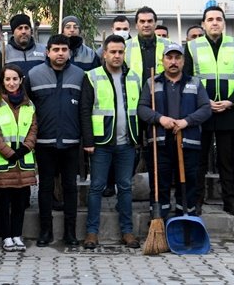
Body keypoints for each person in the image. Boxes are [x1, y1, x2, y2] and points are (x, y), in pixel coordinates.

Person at [185, 5, 234, 217]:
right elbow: (188, 80)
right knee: (199, 160)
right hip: (201, 113)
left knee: (227, 160)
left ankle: (230, 201)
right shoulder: (192, 46)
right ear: (203, 24)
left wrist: (231, 101)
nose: (215, 23)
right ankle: (197, 200)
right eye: (210, 19)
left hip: (228, 112)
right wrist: (204, 103)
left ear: (223, 23)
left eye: (218, 19)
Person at [137, 43, 212, 219]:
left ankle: (185, 219)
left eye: (177, 58)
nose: (173, 61)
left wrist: (186, 121)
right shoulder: (151, 82)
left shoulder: (195, 82)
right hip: (160, 142)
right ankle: (159, 221)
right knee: (159, 184)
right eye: (169, 57)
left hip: (187, 141)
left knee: (187, 184)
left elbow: (206, 109)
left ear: (183, 61)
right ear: (162, 61)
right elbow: (142, 108)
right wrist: (160, 119)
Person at [81, 35, 142, 249]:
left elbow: (139, 110)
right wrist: (88, 140)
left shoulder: (134, 77)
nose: (117, 55)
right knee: (96, 187)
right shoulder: (92, 76)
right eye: (113, 52)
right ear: (104, 53)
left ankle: (127, 232)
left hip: (127, 143)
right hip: (101, 144)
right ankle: (92, 232)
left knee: (125, 187)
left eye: (120, 52)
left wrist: (139, 138)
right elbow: (85, 110)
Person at [27, 34, 84, 247]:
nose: (60, 53)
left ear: (69, 51)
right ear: (47, 52)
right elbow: (27, 109)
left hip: (71, 142)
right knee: (45, 188)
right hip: (44, 142)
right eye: (56, 49)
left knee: (70, 187)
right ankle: (45, 231)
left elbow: (84, 110)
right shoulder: (34, 75)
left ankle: (70, 232)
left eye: (64, 49)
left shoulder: (80, 75)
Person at [0, 64, 38, 252]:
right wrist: (8, 152)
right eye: (7, 79)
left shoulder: (28, 103)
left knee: (20, 201)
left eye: (15, 79)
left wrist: (25, 147)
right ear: (2, 81)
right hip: (3, 161)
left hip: (23, 161)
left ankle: (17, 234)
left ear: (21, 80)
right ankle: (6, 236)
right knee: (4, 201)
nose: (11, 82)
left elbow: (33, 129)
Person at [0, 14, 46, 79]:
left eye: (26, 28)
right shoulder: (4, 52)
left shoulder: (43, 50)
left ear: (31, 31)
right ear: (13, 32)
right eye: (20, 28)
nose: (23, 31)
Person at [126, 6, 171, 77]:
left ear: (155, 24)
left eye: (150, 21)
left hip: (161, 87)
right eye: (142, 21)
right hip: (135, 88)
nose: (146, 25)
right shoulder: (125, 46)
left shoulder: (169, 45)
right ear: (136, 25)